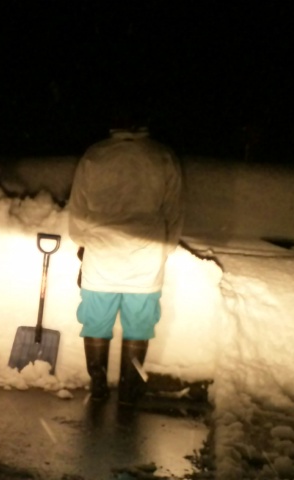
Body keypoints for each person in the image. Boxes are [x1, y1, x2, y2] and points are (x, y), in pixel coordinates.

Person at [68, 119, 183, 406]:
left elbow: (78, 208)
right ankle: (130, 392)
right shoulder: (162, 156)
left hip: (101, 253)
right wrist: (166, 247)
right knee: (139, 325)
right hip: (145, 256)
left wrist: (82, 241)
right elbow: (173, 209)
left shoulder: (95, 155)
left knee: (96, 321)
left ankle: (98, 386)